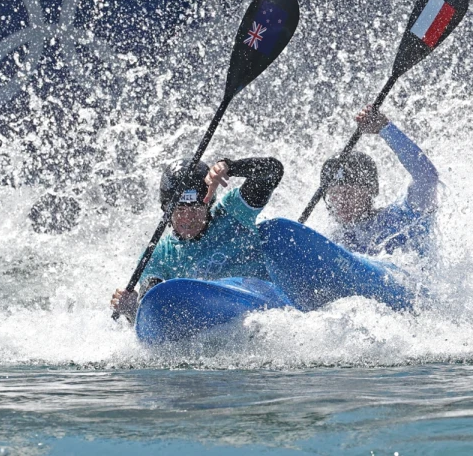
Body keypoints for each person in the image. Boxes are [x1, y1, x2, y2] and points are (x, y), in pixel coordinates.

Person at [110, 156, 283, 321]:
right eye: (180, 209)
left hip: (265, 309)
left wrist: (230, 167)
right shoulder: (157, 257)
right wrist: (133, 312)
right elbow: (154, 313)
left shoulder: (234, 213)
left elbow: (273, 171)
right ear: (166, 209)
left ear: (208, 203)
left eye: (196, 207)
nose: (188, 217)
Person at [320, 105, 439, 256]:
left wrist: (385, 129)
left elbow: (427, 178)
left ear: (370, 191)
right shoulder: (332, 239)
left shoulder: (403, 216)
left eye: (349, 192)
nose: (342, 201)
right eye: (334, 194)